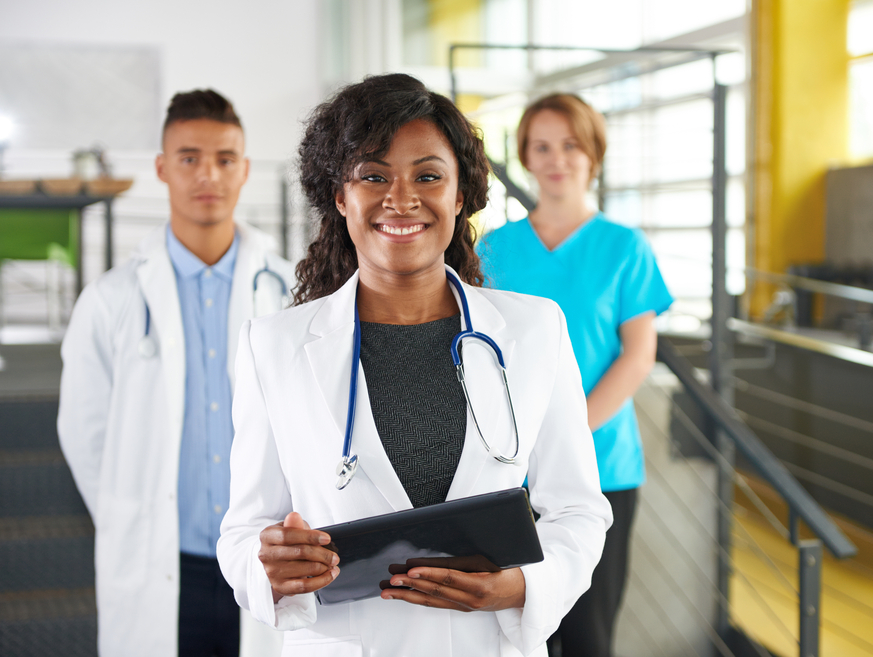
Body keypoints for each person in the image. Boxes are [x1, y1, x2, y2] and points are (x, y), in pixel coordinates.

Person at [216, 73, 612, 657]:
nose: (401, 199)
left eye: (427, 176)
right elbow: (244, 531)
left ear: (459, 196)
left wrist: (521, 586)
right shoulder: (273, 346)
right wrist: (267, 563)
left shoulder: (535, 331)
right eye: (374, 176)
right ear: (340, 196)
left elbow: (578, 510)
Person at [58, 89, 293, 657]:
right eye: (188, 158)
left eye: (224, 158)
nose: (207, 174)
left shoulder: (291, 294)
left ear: (245, 169)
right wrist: (130, 512)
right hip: (161, 561)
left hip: (265, 561)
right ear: (163, 168)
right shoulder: (112, 298)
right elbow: (84, 434)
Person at [477, 93, 673, 657]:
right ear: (526, 158)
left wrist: (566, 437)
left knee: (589, 638)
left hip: (602, 469)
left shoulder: (624, 248)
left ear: (594, 155)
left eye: (570, 144)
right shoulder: (493, 248)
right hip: (509, 477)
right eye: (541, 146)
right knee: (515, 633)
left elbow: (637, 355)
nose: (556, 158)